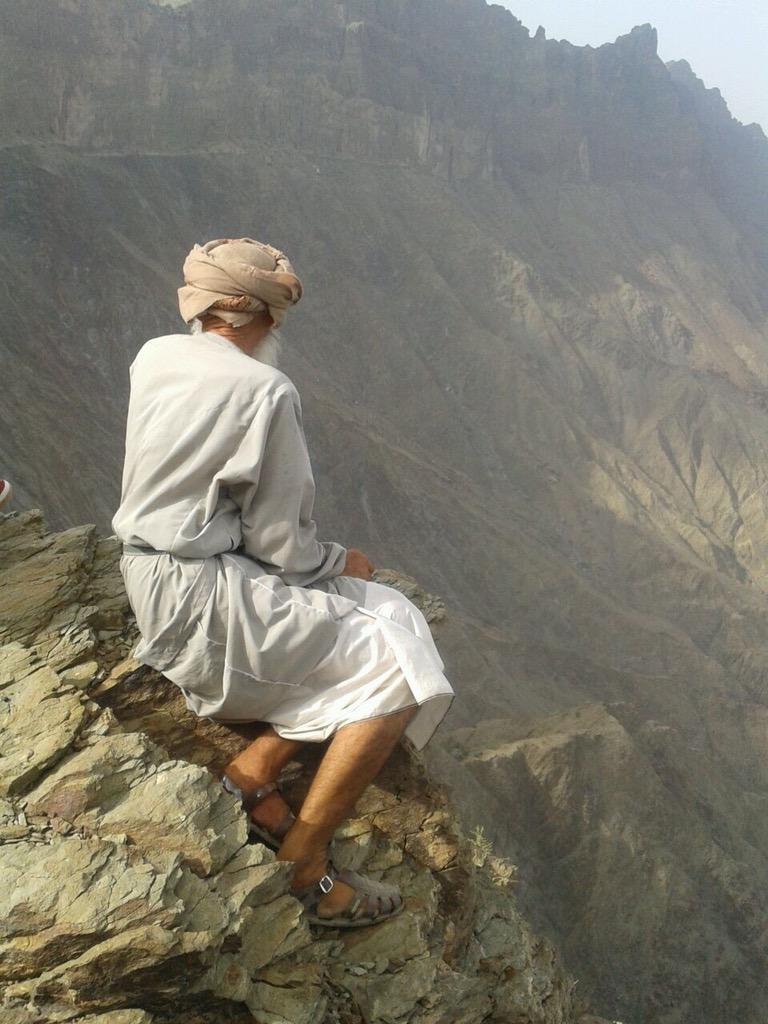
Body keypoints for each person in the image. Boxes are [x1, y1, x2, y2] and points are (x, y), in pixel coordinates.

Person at [112, 237, 455, 928]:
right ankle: (305, 862)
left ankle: (255, 771)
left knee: (391, 612)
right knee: (398, 670)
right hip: (202, 598)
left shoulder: (155, 354)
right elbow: (281, 544)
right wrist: (338, 562)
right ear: (264, 316)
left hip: (156, 572)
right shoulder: (265, 390)